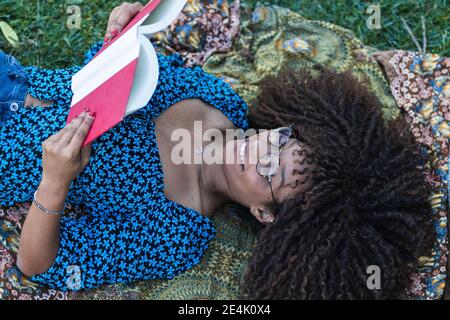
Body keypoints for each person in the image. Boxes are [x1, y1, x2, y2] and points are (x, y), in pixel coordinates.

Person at [0, 2, 433, 299]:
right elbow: (105, 75)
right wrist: (120, 36)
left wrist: (54, 182)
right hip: (15, 80)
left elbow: (39, 265)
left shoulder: (176, 231)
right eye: (280, 139)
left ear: (265, 213)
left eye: (270, 173)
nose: (259, 147)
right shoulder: (222, 101)